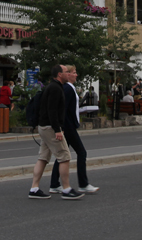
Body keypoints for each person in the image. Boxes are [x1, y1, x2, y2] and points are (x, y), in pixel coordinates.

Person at [29, 64, 84, 200]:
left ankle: (34, 188)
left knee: (43, 158)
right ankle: (66, 189)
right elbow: (52, 110)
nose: (68, 74)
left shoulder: (53, 87)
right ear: (59, 74)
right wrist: (58, 129)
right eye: (66, 72)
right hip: (50, 128)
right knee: (64, 156)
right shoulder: (55, 88)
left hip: (44, 126)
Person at [50, 65, 98, 194]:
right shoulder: (68, 88)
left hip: (68, 125)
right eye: (73, 72)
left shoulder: (69, 88)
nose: (76, 75)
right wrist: (62, 126)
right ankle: (83, 183)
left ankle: (54, 184)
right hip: (68, 126)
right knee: (81, 152)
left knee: (62, 155)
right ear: (68, 74)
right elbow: (63, 108)